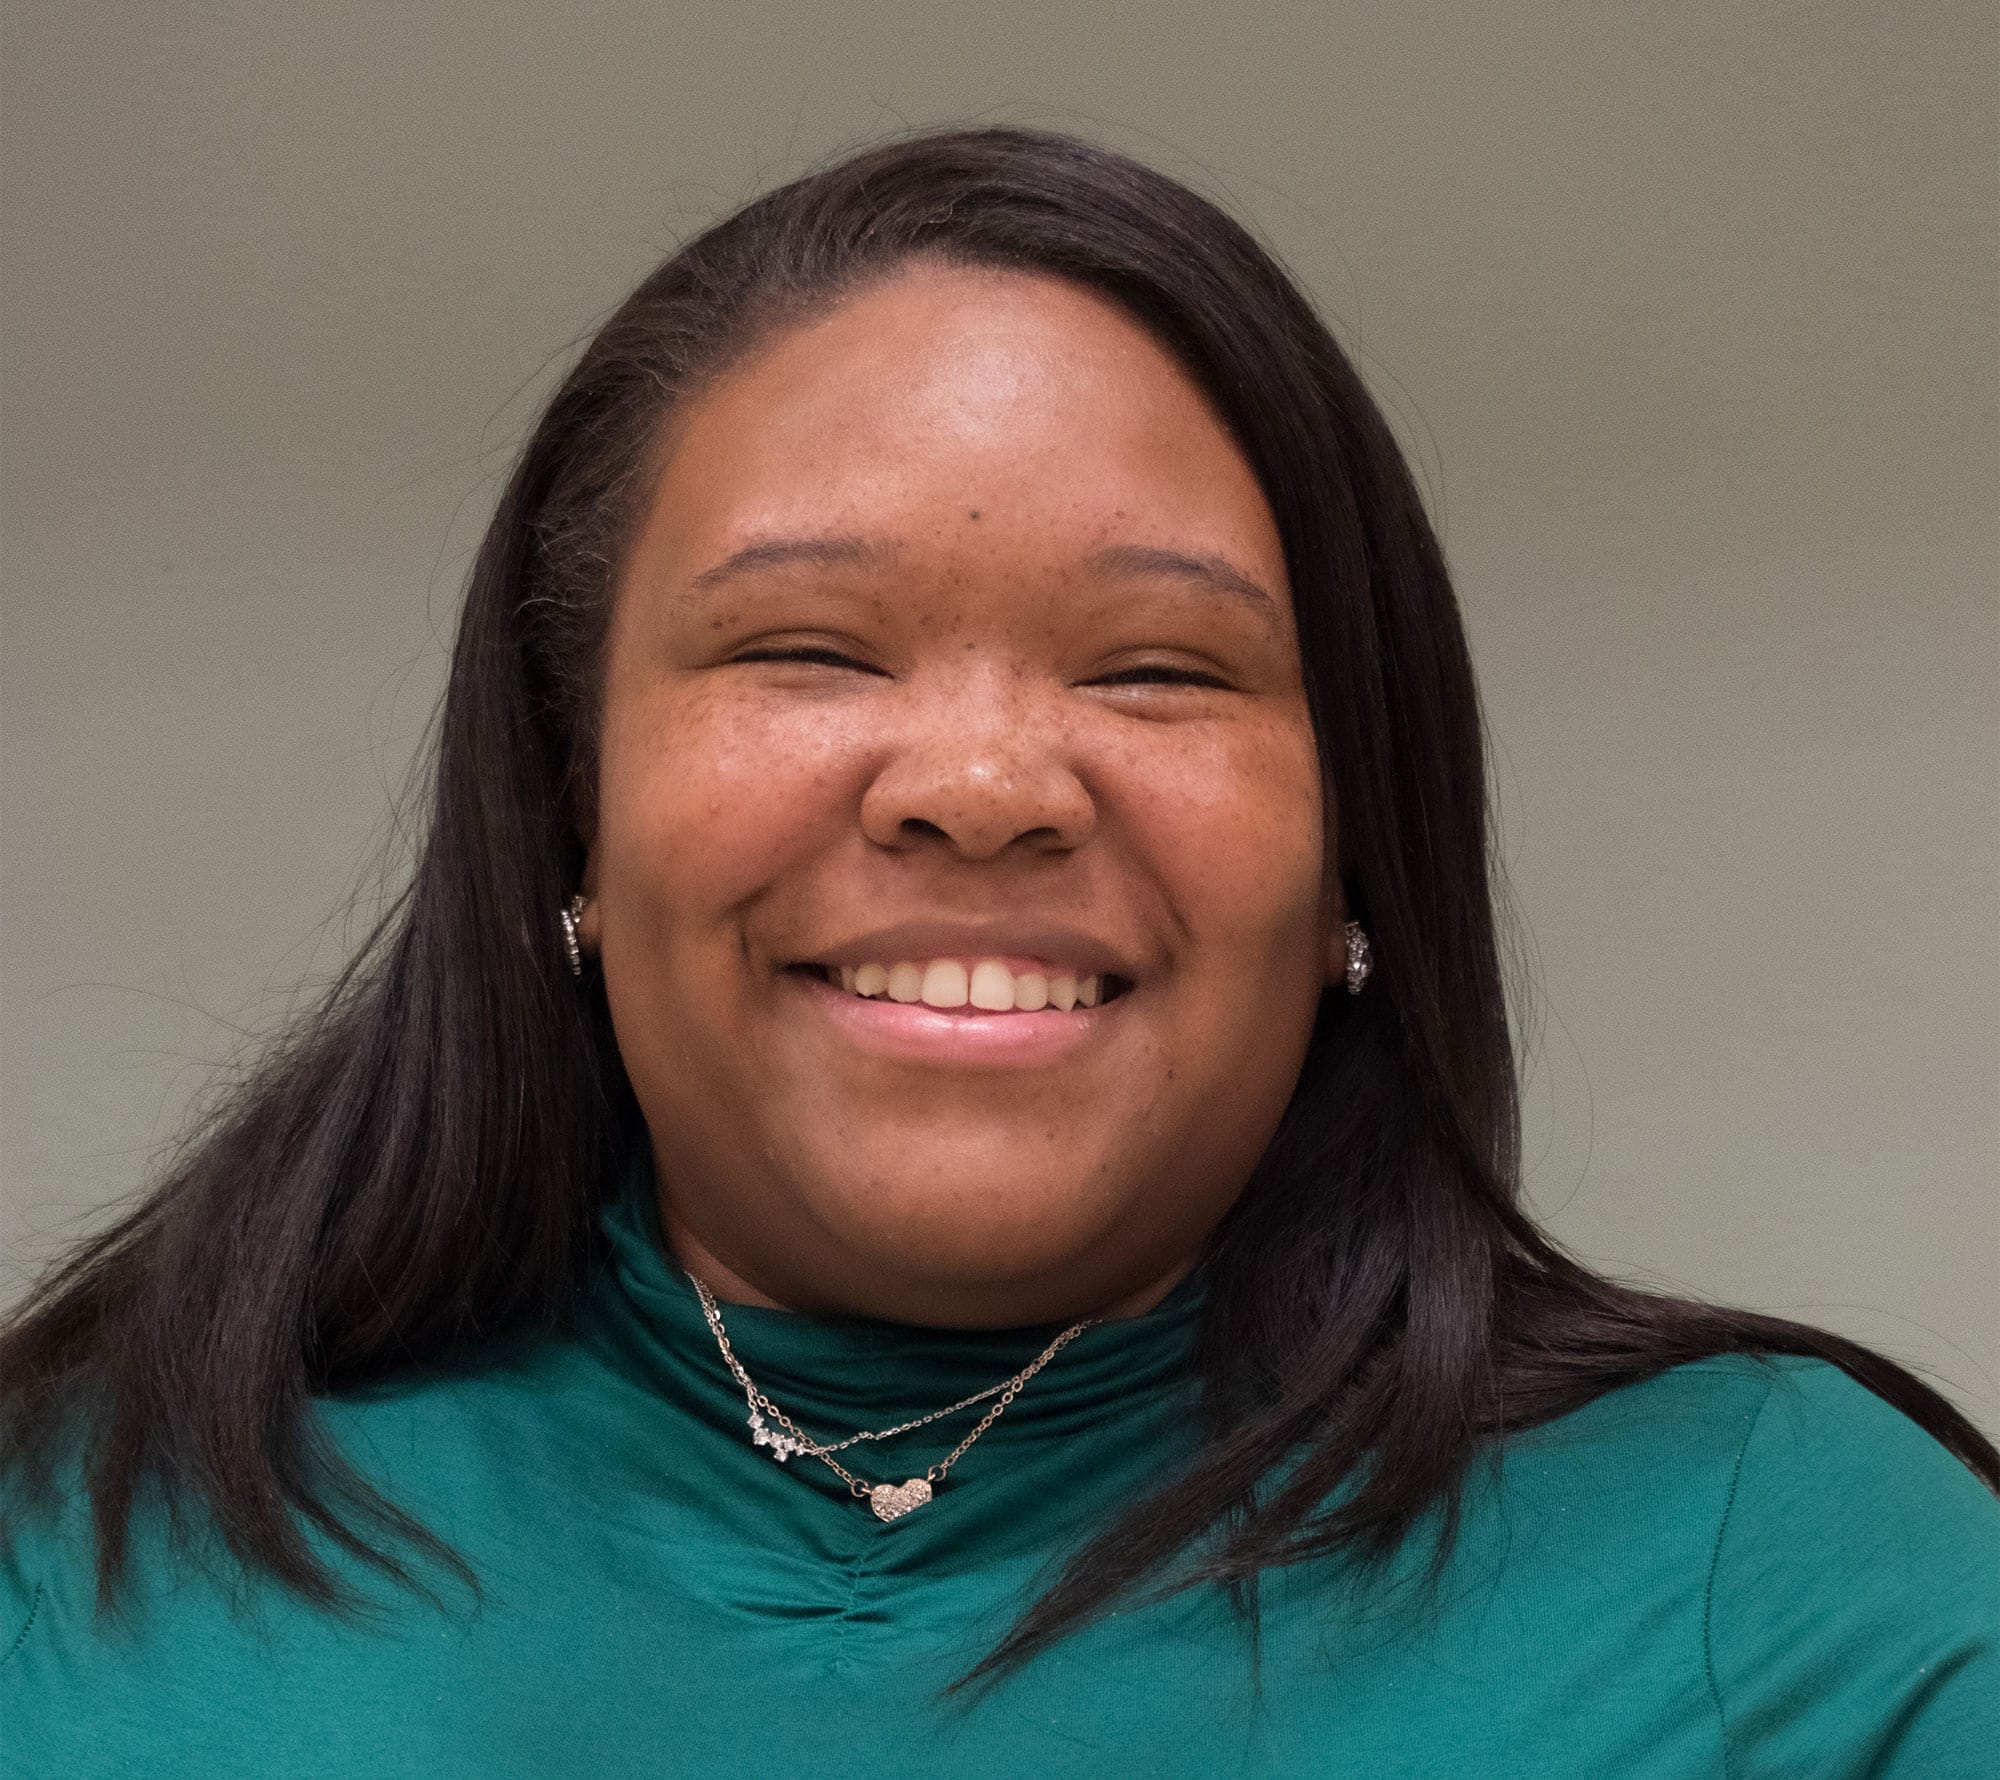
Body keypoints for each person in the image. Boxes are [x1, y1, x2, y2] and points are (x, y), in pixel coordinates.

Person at [1, 126, 1993, 1779]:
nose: (977, 783)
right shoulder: (74, 1552)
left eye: (1158, 666)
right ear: (568, 798)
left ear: (1356, 859)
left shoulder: (1820, 1592)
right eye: (801, 647)